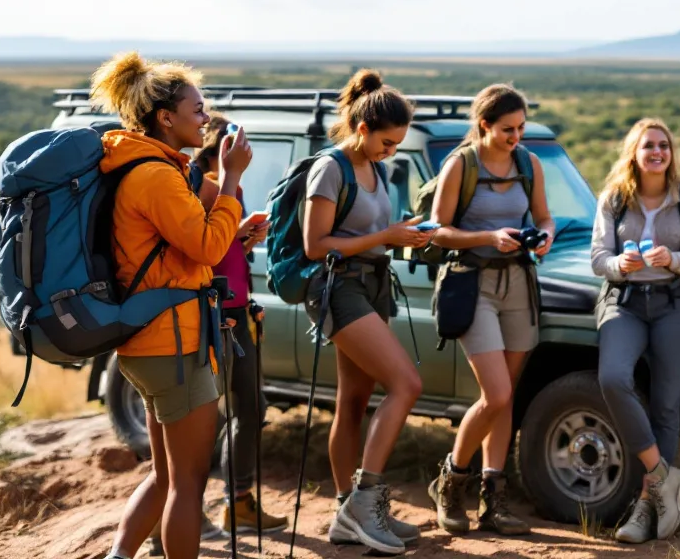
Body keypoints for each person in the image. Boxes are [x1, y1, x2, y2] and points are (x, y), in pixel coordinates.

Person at [93, 52, 254, 559]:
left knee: (166, 475)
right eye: (199, 109)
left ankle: (120, 557)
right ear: (166, 117)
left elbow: (180, 253)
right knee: (188, 482)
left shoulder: (145, 168)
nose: (206, 118)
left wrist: (236, 234)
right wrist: (229, 180)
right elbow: (206, 248)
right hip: (174, 344)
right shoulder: (156, 177)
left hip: (151, 340)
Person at [301, 69, 432, 556]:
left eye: (397, 145)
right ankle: (365, 503)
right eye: (386, 142)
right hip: (341, 289)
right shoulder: (330, 169)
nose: (390, 151)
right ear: (361, 128)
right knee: (407, 384)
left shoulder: (376, 169)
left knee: (353, 403)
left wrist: (406, 233)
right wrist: (385, 238)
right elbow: (316, 245)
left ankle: (345, 514)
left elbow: (372, 229)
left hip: (374, 285)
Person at [427, 83, 555, 537]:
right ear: (484, 125)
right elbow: (436, 231)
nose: (516, 136)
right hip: (472, 283)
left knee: (507, 398)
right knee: (496, 394)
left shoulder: (529, 163)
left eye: (521, 127)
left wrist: (544, 234)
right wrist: (486, 237)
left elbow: (543, 216)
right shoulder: (460, 164)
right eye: (507, 129)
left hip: (519, 281)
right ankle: (451, 480)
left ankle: (493, 501)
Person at [589, 118, 680, 544]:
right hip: (624, 304)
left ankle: (644, 506)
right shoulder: (615, 199)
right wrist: (619, 265)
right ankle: (662, 476)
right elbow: (598, 258)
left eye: (663, 145)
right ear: (634, 154)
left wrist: (671, 260)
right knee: (614, 379)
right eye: (648, 146)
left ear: (670, 153)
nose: (657, 152)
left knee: (665, 405)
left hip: (673, 304)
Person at [189, 114, 287, 537]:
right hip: (210, 316)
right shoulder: (198, 188)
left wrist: (244, 239)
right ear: (217, 150)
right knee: (201, 418)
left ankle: (239, 504)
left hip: (238, 312)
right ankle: (184, 512)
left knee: (251, 409)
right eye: (235, 147)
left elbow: (221, 248)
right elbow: (196, 250)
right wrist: (235, 235)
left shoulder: (231, 189)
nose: (243, 154)